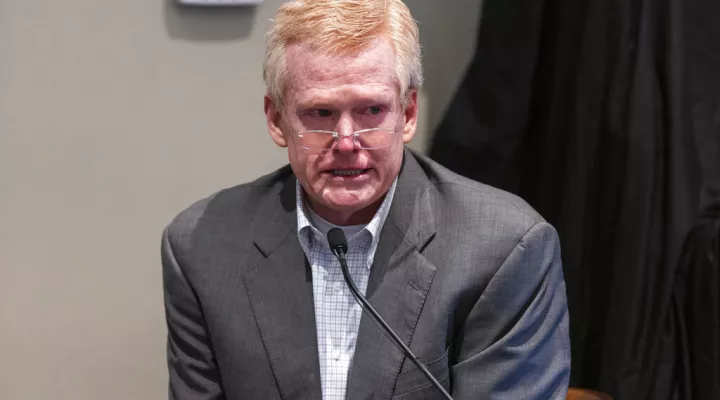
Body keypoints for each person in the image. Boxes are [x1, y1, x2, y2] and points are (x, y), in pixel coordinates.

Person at [161, 0, 571, 399]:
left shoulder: (505, 249)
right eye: (319, 113)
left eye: (371, 110)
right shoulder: (202, 248)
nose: (345, 142)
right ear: (276, 119)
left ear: (407, 113)